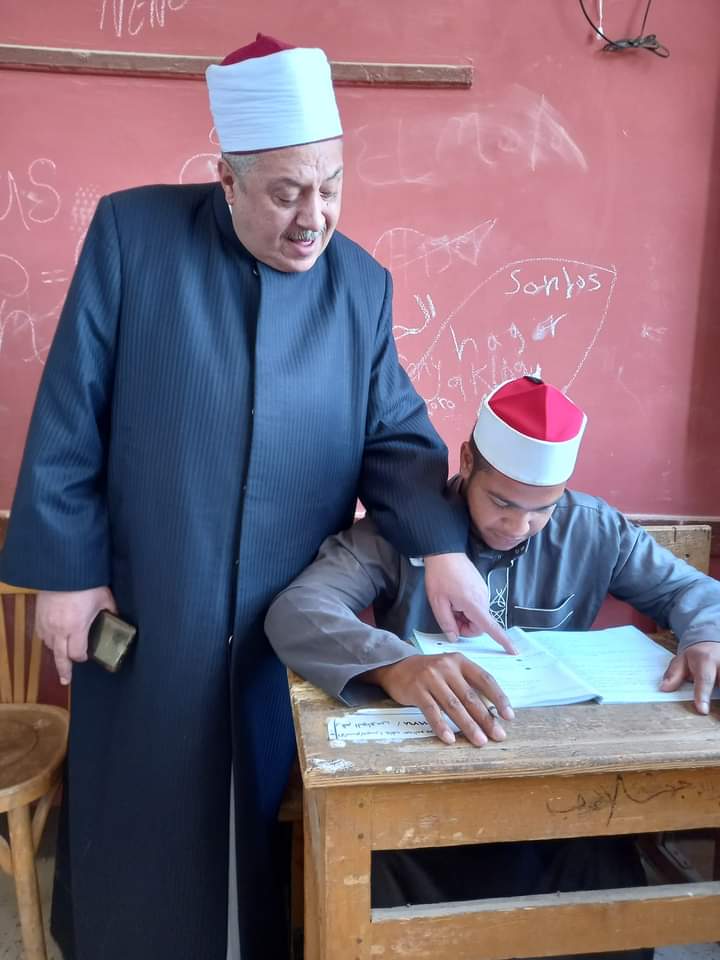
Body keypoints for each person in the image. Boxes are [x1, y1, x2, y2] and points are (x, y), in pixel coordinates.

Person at [0, 34, 510, 960]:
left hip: (282, 619)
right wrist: (67, 576)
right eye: (285, 193)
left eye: (332, 187)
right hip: (149, 601)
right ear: (227, 179)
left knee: (264, 815)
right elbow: (71, 411)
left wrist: (442, 549)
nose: (314, 218)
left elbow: (398, 440)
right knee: (141, 813)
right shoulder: (132, 236)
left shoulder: (361, 285)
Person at [265, 375, 720, 934]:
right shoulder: (402, 530)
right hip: (428, 791)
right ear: (467, 462)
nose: (519, 526)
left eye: (542, 509)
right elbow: (298, 610)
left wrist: (706, 634)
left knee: (608, 873)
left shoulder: (593, 529)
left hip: (560, 784)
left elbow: (690, 590)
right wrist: (394, 665)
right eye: (502, 502)